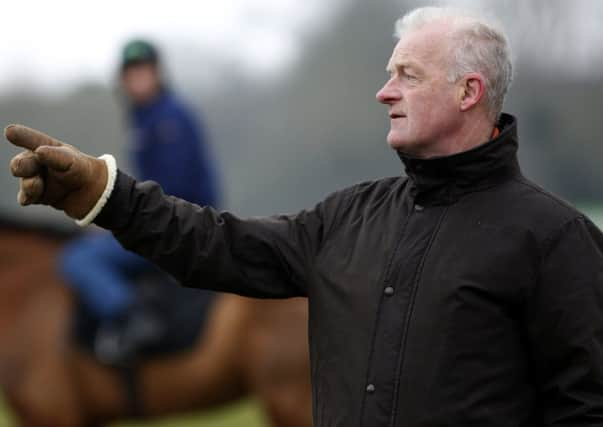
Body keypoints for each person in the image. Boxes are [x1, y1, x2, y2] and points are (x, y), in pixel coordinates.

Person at [7, 6, 603, 426]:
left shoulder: (557, 240)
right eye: (389, 73)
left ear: (468, 92)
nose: (384, 92)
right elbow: (218, 245)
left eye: (407, 75)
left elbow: (587, 406)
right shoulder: (349, 216)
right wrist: (106, 194)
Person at [58, 39, 220, 364]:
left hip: (177, 227)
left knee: (77, 259)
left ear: (157, 74)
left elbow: (173, 189)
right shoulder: (146, 119)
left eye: (143, 71)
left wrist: (119, 223)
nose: (137, 79)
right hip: (170, 220)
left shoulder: (167, 119)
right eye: (131, 74)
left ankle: (130, 316)